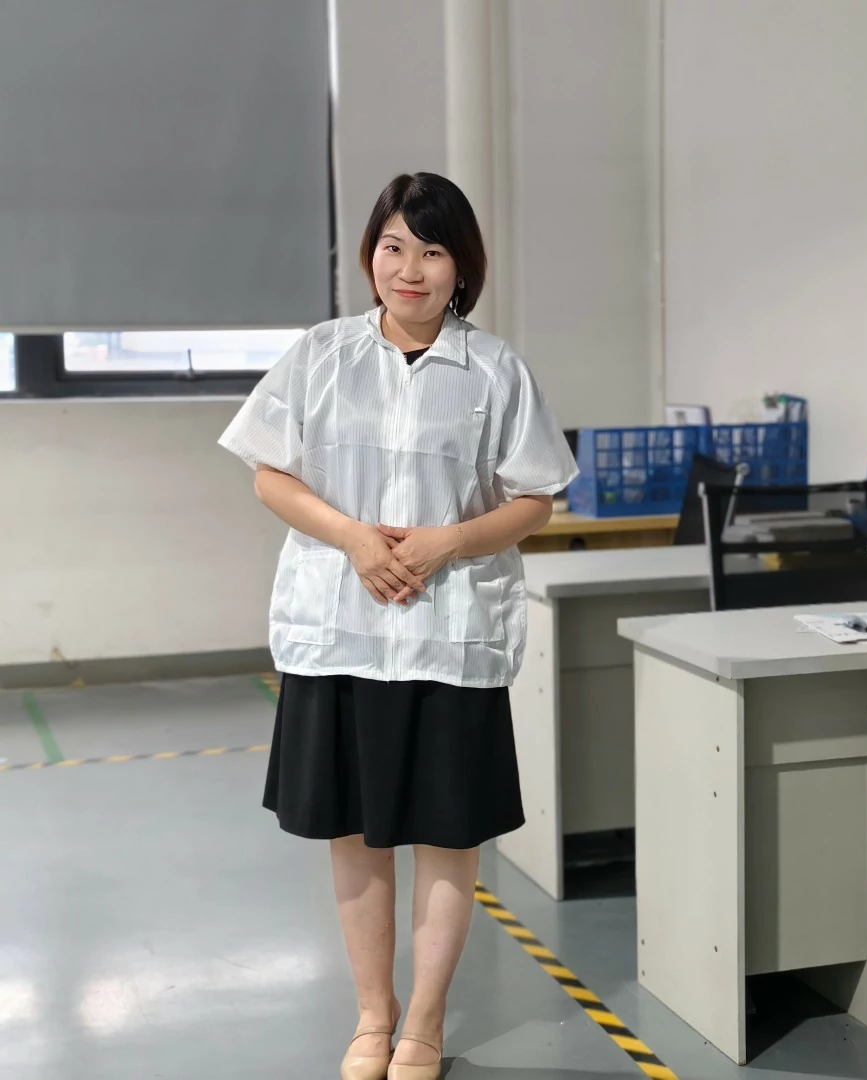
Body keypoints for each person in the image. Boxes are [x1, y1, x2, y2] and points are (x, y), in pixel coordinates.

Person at [218, 172, 577, 1080]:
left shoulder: (495, 369)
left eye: (431, 250)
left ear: (462, 268)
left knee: (448, 836)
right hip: (339, 628)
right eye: (392, 247)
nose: (408, 269)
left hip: (449, 634)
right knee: (354, 832)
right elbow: (269, 473)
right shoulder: (322, 353)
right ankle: (372, 1018)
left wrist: (449, 540)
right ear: (370, 254)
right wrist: (352, 538)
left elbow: (536, 496)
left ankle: (423, 1022)